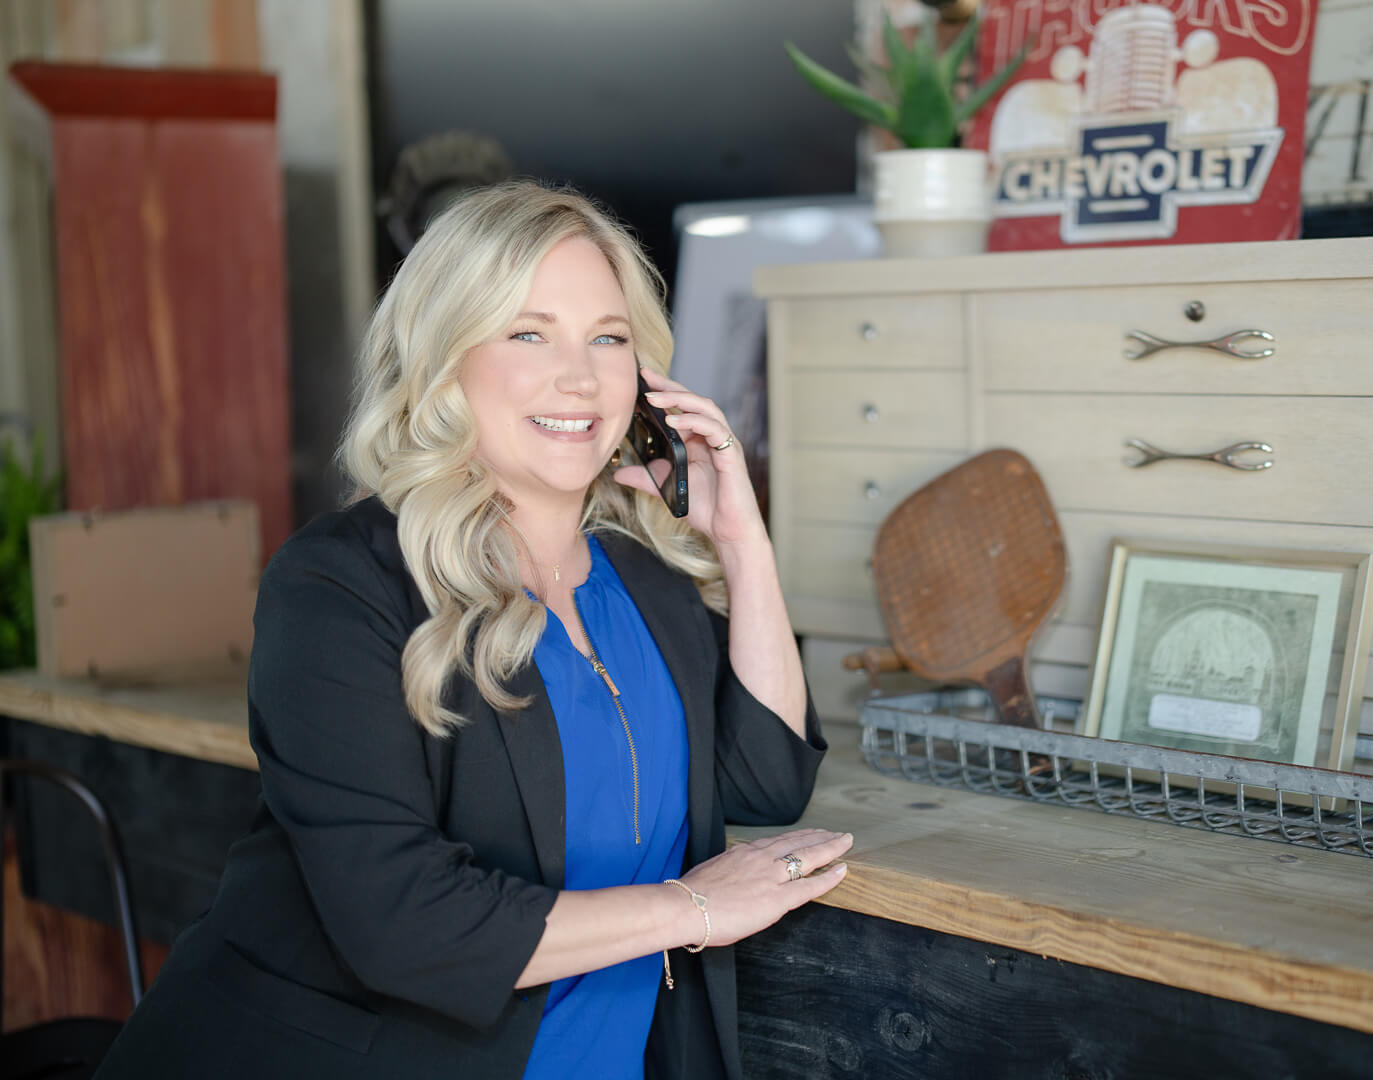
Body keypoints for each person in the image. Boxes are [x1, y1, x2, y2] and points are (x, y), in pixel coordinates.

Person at [95, 181, 849, 1080]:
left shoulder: (644, 581)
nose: (580, 377)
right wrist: (692, 909)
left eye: (608, 338)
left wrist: (740, 539)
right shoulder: (340, 585)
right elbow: (406, 925)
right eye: (527, 333)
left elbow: (766, 781)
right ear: (445, 360)